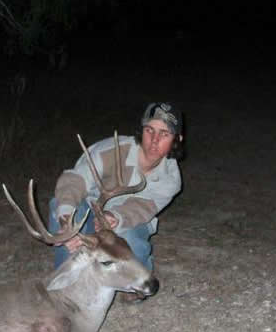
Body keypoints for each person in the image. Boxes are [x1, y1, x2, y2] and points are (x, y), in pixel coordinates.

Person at [48, 102, 184, 301]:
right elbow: (74, 181)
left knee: (131, 240)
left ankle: (138, 272)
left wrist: (117, 217)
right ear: (141, 131)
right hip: (90, 214)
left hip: (125, 221)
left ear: (177, 140)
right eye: (149, 130)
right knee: (60, 209)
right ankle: (66, 286)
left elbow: (144, 207)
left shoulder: (171, 178)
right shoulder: (111, 150)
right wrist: (65, 223)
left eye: (164, 134)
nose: (154, 140)